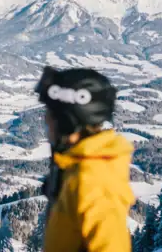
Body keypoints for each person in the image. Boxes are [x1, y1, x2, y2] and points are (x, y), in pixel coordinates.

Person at [35, 66, 136, 251]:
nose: (46, 121)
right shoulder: (78, 168)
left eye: (50, 115)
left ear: (67, 122)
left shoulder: (92, 181)